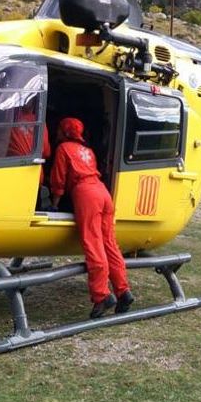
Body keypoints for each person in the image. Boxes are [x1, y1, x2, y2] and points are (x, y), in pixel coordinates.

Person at [50, 117, 133, 318]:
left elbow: (59, 180)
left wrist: (53, 204)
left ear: (64, 131)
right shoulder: (87, 150)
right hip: (103, 191)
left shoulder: (63, 149)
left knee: (93, 243)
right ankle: (123, 291)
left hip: (86, 193)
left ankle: (102, 296)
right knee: (109, 244)